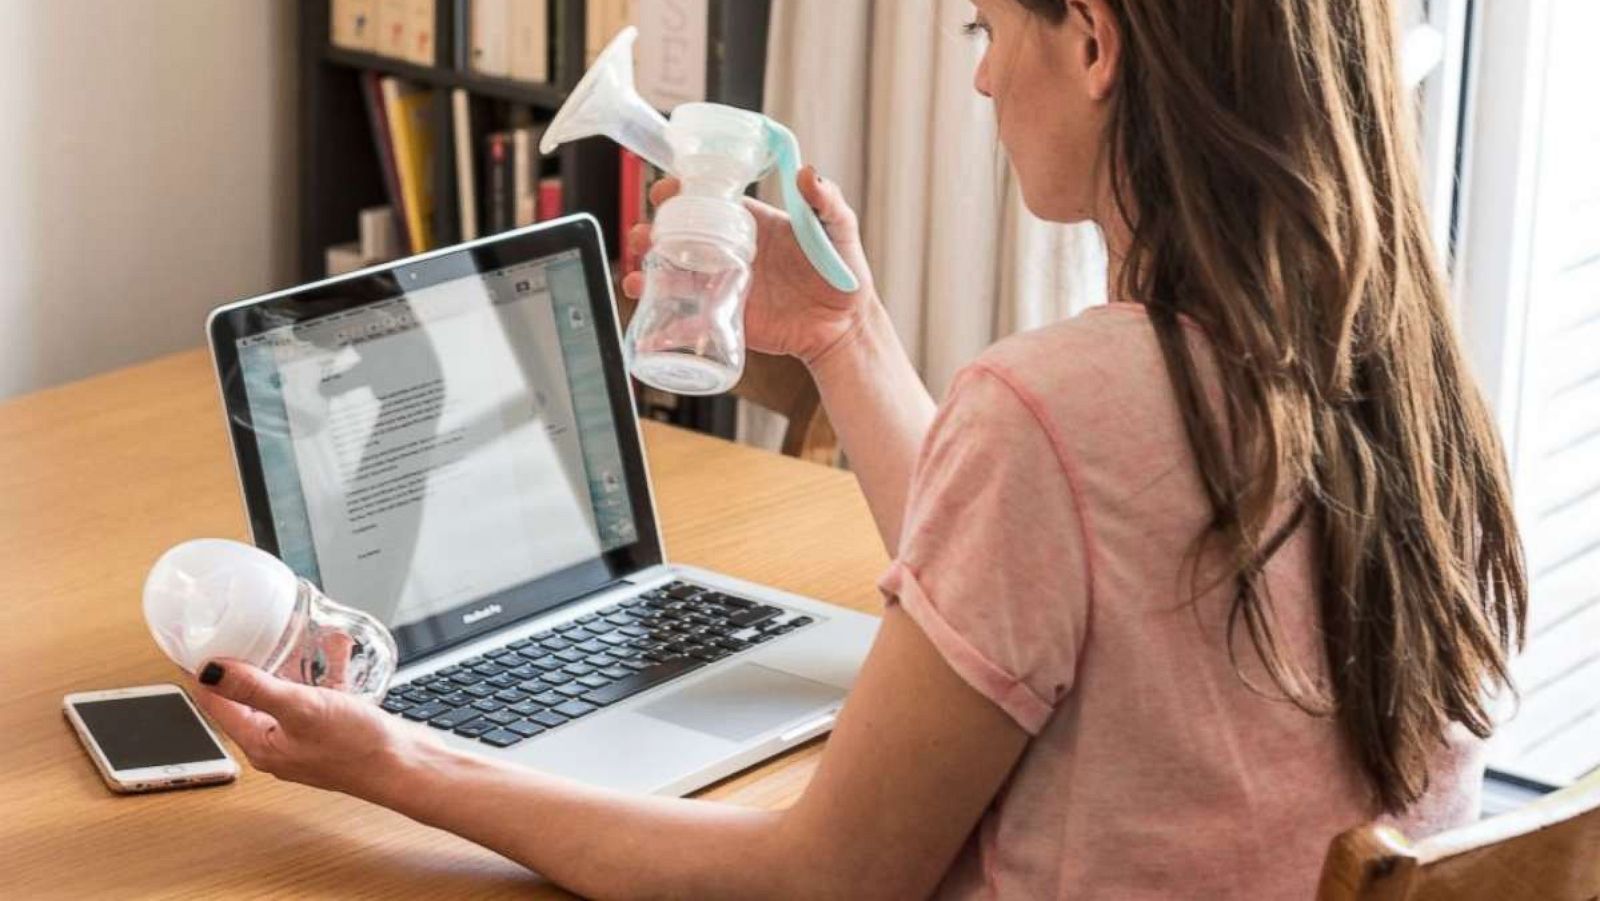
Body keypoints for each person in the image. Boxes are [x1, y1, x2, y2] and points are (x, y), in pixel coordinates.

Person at [192, 0, 1528, 896]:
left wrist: (398, 761)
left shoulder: (1061, 405)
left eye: (992, 26)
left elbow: (823, 879)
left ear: (1099, 45)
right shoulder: (1409, 388)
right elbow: (1043, 554)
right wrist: (845, 334)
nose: (987, 73)